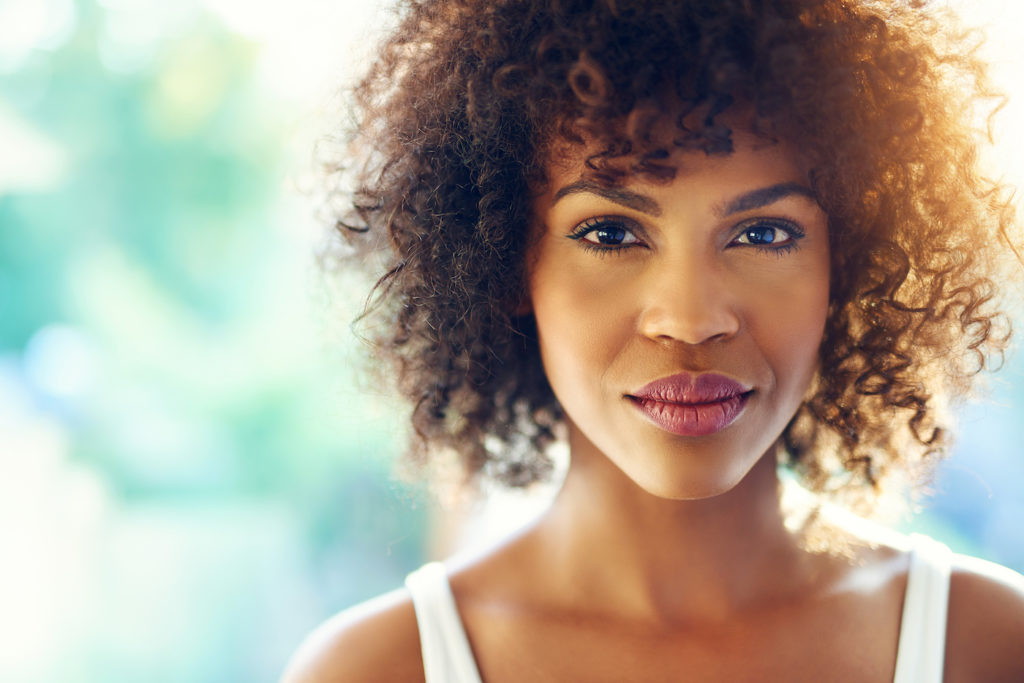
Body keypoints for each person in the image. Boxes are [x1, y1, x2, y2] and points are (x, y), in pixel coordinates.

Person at [284, 0, 1024, 680]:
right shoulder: (379, 669)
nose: (691, 318)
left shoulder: (988, 645)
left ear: (850, 263)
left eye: (763, 233)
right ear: (509, 258)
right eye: (611, 232)